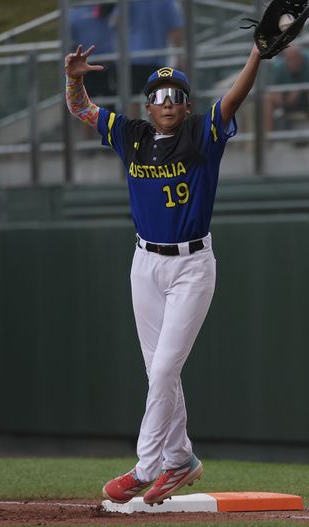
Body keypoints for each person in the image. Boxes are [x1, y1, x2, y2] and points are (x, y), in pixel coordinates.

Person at [64, 42, 261, 505]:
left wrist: (255, 56)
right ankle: (181, 459)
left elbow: (233, 100)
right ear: (146, 105)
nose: (166, 103)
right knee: (158, 371)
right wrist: (74, 78)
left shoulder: (201, 134)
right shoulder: (129, 134)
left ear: (187, 105)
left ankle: (145, 466)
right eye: (158, 96)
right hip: (145, 263)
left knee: (166, 368)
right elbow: (81, 108)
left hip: (192, 265)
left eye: (175, 96)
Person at [264, 45, 309, 134]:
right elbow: (271, 87)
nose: (292, 63)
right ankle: (268, 137)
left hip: (307, 100)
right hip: (286, 100)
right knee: (267, 99)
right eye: (289, 60)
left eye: (294, 59)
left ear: (300, 58)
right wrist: (277, 94)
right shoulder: (279, 66)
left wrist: (300, 89)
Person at [128, 0, 184, 94]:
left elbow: (116, 21)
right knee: (158, 98)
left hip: (133, 57)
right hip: (157, 58)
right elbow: (175, 28)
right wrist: (179, 55)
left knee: (133, 99)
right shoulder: (166, 2)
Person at [69, 5, 116, 105]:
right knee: (92, 98)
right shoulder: (75, 15)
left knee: (108, 97)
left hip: (105, 63)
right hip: (88, 64)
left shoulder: (106, 9)